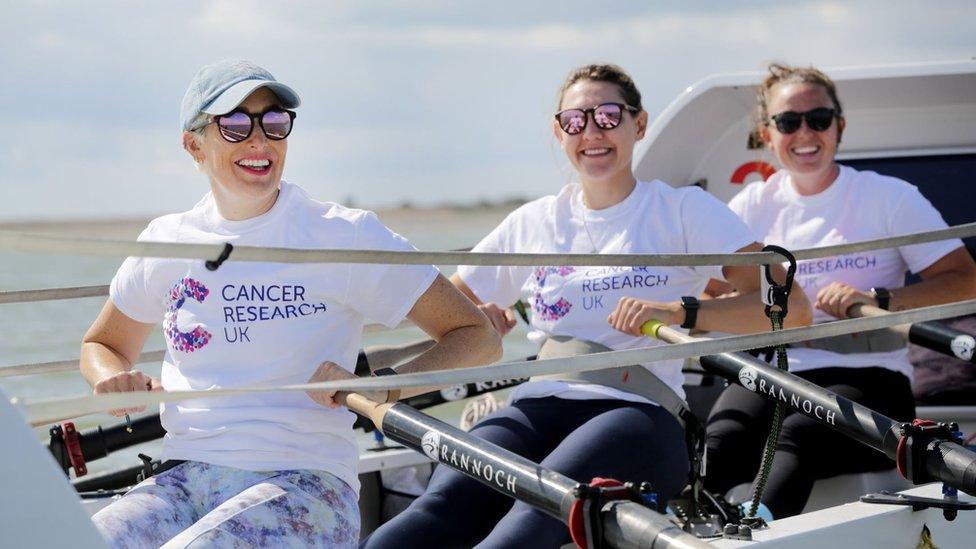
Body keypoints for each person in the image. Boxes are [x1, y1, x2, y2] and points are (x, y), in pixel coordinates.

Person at [363, 63, 810, 548]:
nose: (592, 132)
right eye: (576, 121)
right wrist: (478, 323)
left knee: (522, 527)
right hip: (536, 405)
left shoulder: (684, 211)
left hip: (639, 413)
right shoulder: (534, 221)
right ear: (560, 132)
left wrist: (681, 313)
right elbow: (446, 314)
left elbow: (790, 309)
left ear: (639, 125)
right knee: (431, 515)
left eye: (608, 116)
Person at [81, 59, 501, 548]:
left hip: (307, 484)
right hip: (182, 478)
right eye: (235, 125)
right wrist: (110, 379)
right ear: (194, 144)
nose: (259, 140)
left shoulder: (343, 235)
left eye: (274, 122)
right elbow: (102, 343)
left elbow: (479, 338)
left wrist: (382, 388)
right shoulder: (167, 242)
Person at [704, 62, 976, 519]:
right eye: (788, 122)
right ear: (767, 135)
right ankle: (700, 530)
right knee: (721, 439)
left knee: (797, 433)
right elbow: (712, 293)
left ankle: (751, 530)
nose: (805, 131)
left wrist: (877, 301)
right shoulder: (749, 205)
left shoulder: (891, 197)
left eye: (819, 119)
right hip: (779, 369)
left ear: (840, 126)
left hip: (872, 372)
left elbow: (966, 280)